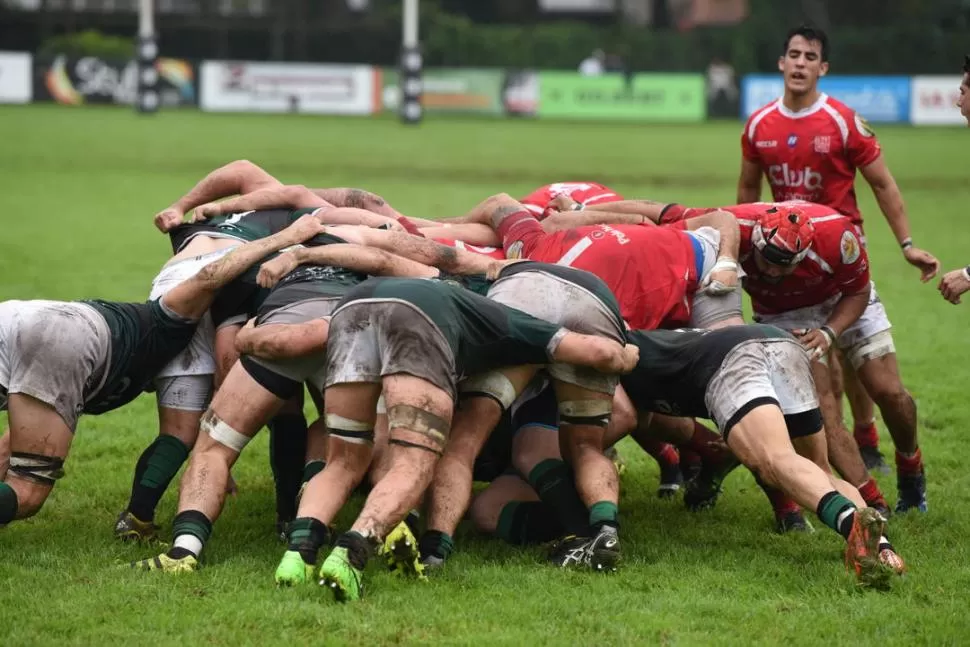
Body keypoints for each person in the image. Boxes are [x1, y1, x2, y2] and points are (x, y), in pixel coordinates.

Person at [271, 277, 639, 601]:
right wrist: (626, 357)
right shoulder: (510, 320)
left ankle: (297, 555)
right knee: (413, 463)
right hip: (417, 323)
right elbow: (596, 351)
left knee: (344, 460)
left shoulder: (455, 292)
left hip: (352, 309)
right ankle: (350, 554)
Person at [0, 215, 327, 529]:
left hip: (17, 315)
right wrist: (288, 239)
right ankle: (138, 516)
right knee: (27, 492)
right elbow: (209, 276)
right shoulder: (167, 321)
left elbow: (19, 433)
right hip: (63, 336)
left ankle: (137, 518)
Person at [737, 24, 940, 475]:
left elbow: (882, 182)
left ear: (822, 68)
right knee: (822, 382)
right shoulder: (759, 125)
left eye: (810, 57)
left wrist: (907, 244)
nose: (800, 63)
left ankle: (884, 447)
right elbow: (748, 193)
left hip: (843, 264)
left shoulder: (843, 120)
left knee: (870, 372)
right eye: (794, 55)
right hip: (788, 274)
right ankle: (854, 471)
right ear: (781, 63)